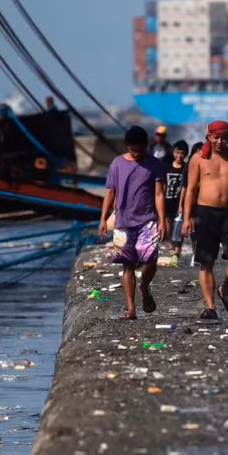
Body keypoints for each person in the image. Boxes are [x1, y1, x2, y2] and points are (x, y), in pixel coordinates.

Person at [182, 121, 228, 320]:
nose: (220, 141)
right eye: (216, 137)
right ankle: (210, 307)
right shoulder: (198, 159)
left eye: (224, 138)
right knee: (206, 262)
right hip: (205, 214)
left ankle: (225, 290)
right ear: (208, 136)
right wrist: (187, 216)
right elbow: (190, 189)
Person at [98, 125, 167, 320]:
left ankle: (144, 286)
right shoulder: (117, 164)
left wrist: (162, 220)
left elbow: (159, 194)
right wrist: (103, 218)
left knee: (150, 260)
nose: (136, 154)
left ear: (147, 145)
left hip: (148, 221)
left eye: (139, 150)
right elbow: (110, 192)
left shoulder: (154, 164)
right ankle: (131, 309)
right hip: (123, 222)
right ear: (127, 147)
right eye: (132, 150)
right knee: (127, 265)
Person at [163, 140, 189, 264]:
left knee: (178, 228)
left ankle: (176, 253)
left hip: (181, 203)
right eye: (177, 152)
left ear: (186, 154)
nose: (179, 156)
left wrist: (182, 205)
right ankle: (171, 250)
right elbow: (162, 186)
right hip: (168, 201)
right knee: (168, 227)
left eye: (182, 153)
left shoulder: (187, 168)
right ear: (173, 152)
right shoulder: (167, 167)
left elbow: (186, 187)